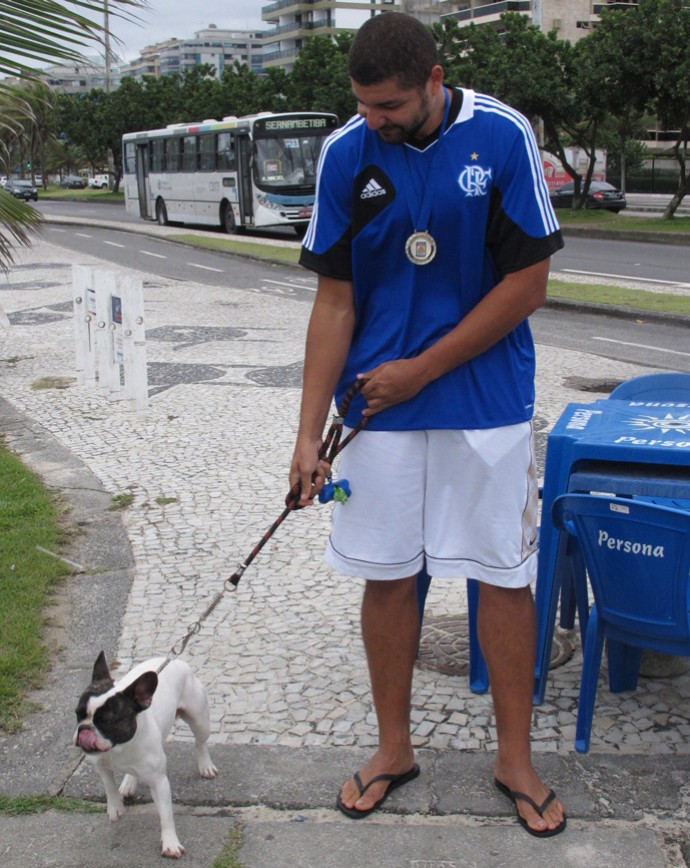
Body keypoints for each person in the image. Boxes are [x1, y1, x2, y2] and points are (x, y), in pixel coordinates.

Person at [289, 12, 566, 838]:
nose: (377, 119)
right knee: (387, 575)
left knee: (503, 578)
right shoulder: (346, 153)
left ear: (435, 80)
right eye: (366, 104)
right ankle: (393, 749)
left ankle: (513, 758)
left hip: (484, 406)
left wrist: (425, 369)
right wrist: (306, 433)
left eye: (393, 105)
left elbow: (528, 285)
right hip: (376, 411)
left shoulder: (503, 135)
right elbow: (333, 299)